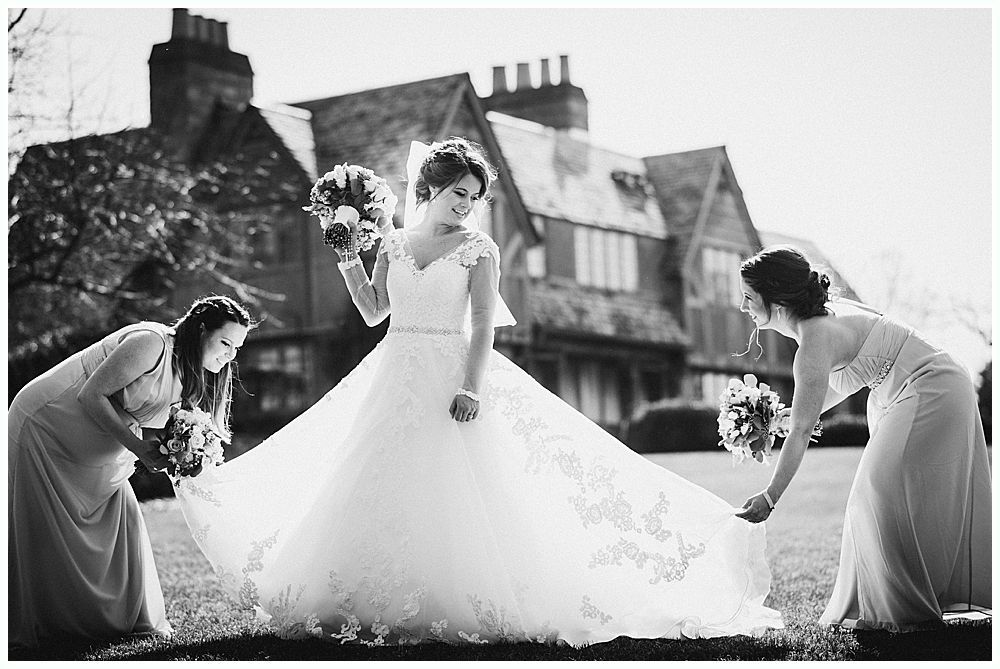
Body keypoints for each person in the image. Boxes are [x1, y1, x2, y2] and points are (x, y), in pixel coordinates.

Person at [174, 138, 783, 646]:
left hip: (452, 371)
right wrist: (346, 256)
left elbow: (485, 325)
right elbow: (371, 313)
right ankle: (370, 593)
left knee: (461, 486)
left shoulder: (479, 249)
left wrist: (471, 385)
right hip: (396, 373)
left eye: (475, 196)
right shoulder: (392, 242)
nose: (467, 205)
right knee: (381, 480)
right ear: (428, 190)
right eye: (457, 192)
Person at [734, 246, 991, 632]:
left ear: (777, 298)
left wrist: (770, 497)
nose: (743, 306)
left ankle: (905, 614)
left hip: (930, 387)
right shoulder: (821, 324)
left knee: (876, 492)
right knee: (880, 497)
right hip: (926, 385)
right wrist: (775, 420)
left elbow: (803, 429)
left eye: (749, 297)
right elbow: (823, 397)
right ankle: (888, 608)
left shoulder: (814, 340)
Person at [8, 295, 253, 648]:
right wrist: (140, 449)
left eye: (237, 348)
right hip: (45, 426)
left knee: (122, 522)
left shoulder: (190, 372)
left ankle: (113, 620)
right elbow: (91, 395)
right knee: (44, 531)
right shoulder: (151, 344)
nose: (230, 355)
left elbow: (146, 416)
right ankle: (47, 623)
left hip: (98, 449)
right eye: (225, 342)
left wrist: (184, 452)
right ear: (201, 330)